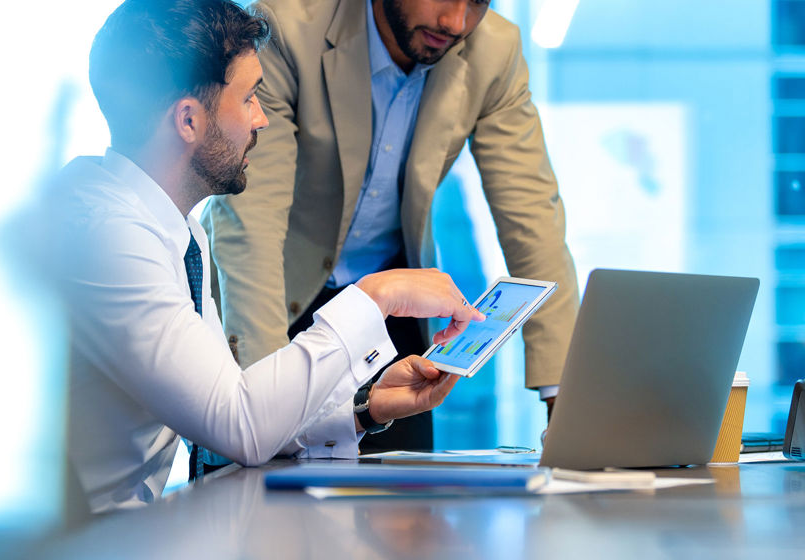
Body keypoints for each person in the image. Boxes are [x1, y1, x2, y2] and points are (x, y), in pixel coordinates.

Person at [36, 0, 483, 514]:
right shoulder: (108, 237)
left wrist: (365, 408)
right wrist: (375, 295)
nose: (262, 118)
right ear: (188, 119)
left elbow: (226, 404)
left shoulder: (173, 229)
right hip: (87, 543)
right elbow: (238, 424)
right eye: (248, 98)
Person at [202, 0, 580, 451]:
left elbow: (533, 216)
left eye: (478, 1)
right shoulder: (287, 26)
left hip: (391, 310)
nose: (456, 22)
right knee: (259, 497)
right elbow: (252, 224)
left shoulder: (493, 50)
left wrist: (567, 401)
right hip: (275, 300)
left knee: (407, 508)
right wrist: (259, 411)